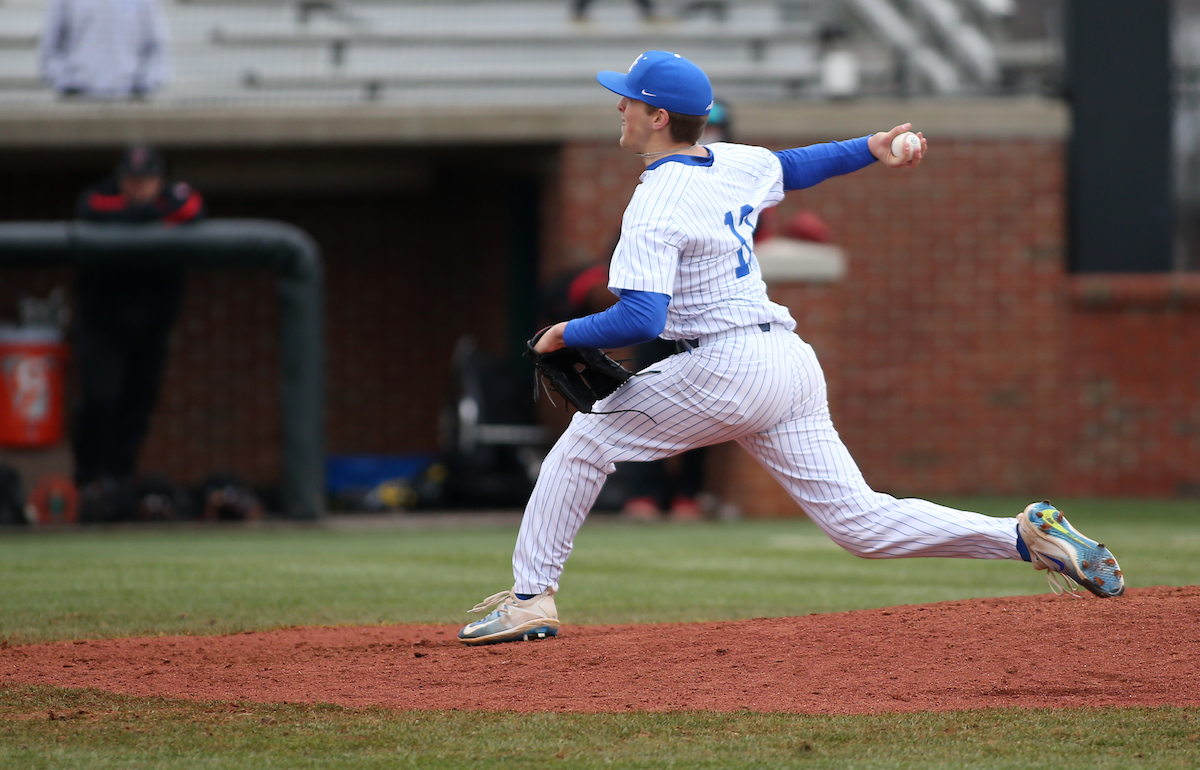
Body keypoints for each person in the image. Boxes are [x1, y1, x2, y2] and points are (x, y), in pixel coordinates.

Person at [458, 51, 1124, 646]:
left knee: (584, 441)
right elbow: (802, 164)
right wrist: (875, 144)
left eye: (629, 98)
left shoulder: (655, 202)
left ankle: (528, 600)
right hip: (786, 362)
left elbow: (641, 315)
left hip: (725, 365)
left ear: (658, 117)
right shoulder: (734, 162)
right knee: (860, 524)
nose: (620, 106)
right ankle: (1021, 537)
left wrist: (564, 332)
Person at [72, 145, 205, 521]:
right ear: (121, 179)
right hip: (102, 326)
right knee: (101, 400)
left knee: (138, 407)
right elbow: (92, 211)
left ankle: (119, 481)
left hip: (151, 327)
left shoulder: (176, 196)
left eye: (147, 180)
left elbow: (193, 208)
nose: (139, 187)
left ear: (159, 180)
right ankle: (89, 480)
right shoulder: (100, 196)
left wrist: (139, 216)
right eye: (132, 179)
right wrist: (151, 217)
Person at [39, 0, 171, 100]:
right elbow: (50, 48)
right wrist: (69, 84)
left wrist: (142, 86)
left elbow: (156, 46)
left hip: (128, 100)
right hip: (79, 100)